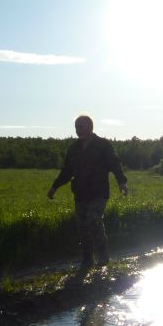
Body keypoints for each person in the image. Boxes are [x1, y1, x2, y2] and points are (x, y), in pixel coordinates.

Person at [48, 115, 128, 268]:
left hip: (99, 193)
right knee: (82, 227)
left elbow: (115, 164)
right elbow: (66, 171)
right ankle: (87, 259)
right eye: (76, 127)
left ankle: (103, 255)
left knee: (93, 219)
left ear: (91, 127)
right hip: (80, 193)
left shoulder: (103, 145)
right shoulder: (73, 149)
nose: (78, 130)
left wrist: (122, 182)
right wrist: (54, 187)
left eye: (81, 126)